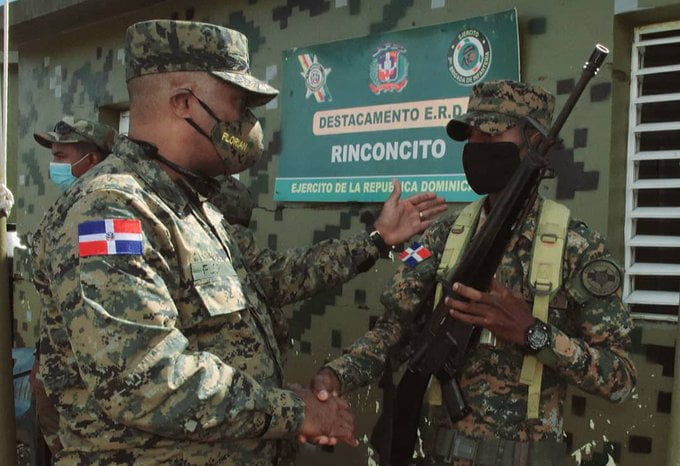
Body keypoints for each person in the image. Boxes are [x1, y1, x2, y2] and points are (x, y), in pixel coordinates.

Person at [31, 19, 446, 465]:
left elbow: (272, 277)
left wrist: (377, 240)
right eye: (238, 103)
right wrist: (293, 410)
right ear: (183, 103)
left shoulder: (191, 206)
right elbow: (144, 379)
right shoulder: (110, 210)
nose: (246, 123)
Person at [312, 80, 637, 465]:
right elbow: (395, 330)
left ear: (534, 141)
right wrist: (336, 376)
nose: (477, 146)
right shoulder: (439, 236)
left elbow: (620, 379)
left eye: (491, 134)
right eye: (471, 136)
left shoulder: (578, 247)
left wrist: (532, 332)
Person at [29, 116, 117, 455]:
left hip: (84, 381)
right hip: (59, 369)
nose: (54, 165)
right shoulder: (69, 206)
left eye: (60, 157)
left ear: (91, 160)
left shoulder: (102, 211)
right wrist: (42, 357)